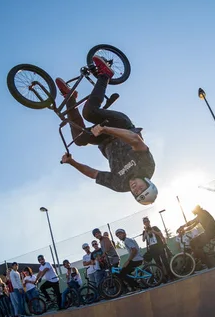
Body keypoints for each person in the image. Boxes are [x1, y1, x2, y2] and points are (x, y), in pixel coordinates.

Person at [58, 55, 158, 205]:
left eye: (136, 193)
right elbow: (135, 140)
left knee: (80, 138)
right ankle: (105, 74)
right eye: (141, 188)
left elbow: (93, 174)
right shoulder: (147, 166)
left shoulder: (119, 184)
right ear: (147, 182)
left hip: (104, 140)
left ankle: (70, 97)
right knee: (89, 113)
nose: (135, 188)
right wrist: (107, 129)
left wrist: (72, 162)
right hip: (122, 126)